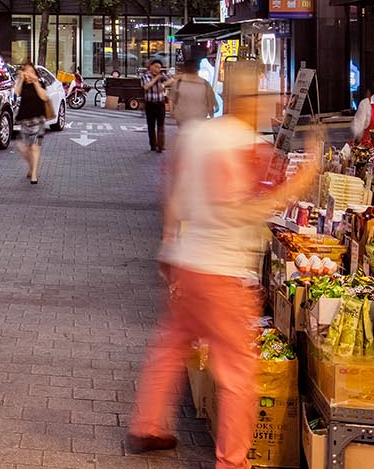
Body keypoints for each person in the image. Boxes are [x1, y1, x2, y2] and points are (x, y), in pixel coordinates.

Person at [128, 64, 324, 460]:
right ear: (249, 99)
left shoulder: (196, 135)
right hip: (224, 272)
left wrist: (168, 245)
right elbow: (248, 209)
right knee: (237, 373)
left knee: (172, 344)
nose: (272, 104)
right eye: (266, 96)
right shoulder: (248, 146)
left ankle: (147, 425)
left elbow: (172, 194)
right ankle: (233, 460)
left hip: (188, 261)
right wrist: (305, 176)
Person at [15, 62, 52, 184]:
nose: (29, 74)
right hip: (25, 120)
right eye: (26, 71)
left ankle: (34, 174)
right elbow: (16, 92)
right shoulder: (23, 84)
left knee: (35, 147)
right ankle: (31, 166)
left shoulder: (40, 83)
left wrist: (35, 82)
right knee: (23, 147)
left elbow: (44, 97)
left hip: (38, 119)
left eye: (31, 71)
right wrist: (21, 79)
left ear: (35, 73)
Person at [169, 55, 216, 128]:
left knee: (184, 134)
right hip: (199, 118)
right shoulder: (205, 84)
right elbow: (210, 103)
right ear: (198, 69)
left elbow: (171, 99)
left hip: (182, 118)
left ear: (184, 69)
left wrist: (172, 112)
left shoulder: (178, 83)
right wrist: (211, 116)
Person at [141, 59, 173, 151]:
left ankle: (161, 145)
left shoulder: (162, 76)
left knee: (161, 125)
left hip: (160, 103)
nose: (157, 69)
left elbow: (172, 80)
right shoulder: (145, 76)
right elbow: (146, 86)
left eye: (159, 68)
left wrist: (163, 84)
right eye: (155, 67)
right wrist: (156, 79)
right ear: (151, 66)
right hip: (150, 104)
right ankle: (153, 145)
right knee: (151, 125)